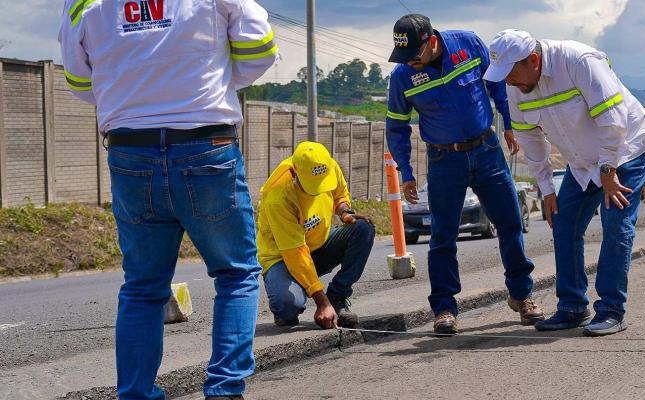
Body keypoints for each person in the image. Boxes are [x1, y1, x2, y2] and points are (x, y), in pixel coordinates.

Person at [59, 1, 278, 398]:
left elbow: (79, 80)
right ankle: (225, 390)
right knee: (236, 274)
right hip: (206, 143)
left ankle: (136, 394)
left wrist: (131, 91)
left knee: (143, 287)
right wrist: (213, 77)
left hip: (130, 150)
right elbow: (260, 48)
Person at [484, 29, 645, 336]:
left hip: (626, 150)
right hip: (582, 164)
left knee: (616, 223)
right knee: (563, 222)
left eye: (510, 73)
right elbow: (530, 140)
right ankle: (573, 306)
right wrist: (547, 190)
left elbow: (613, 119)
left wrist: (608, 171)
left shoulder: (579, 61)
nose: (508, 82)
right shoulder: (516, 86)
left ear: (533, 60)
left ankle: (611, 310)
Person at [385, 14, 541, 335]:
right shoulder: (402, 77)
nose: (409, 61)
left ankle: (522, 295)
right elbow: (397, 127)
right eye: (403, 55)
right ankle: (444, 308)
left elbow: (497, 84)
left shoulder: (467, 44)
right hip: (444, 160)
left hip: (487, 151)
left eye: (414, 53)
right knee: (442, 236)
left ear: (432, 41)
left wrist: (508, 123)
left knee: (510, 222)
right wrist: (407, 172)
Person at [257, 142, 375, 329]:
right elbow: (295, 254)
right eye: (312, 186)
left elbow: (339, 195)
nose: (319, 190)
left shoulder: (327, 166)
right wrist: (322, 303)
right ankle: (289, 298)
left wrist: (344, 212)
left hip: (319, 245)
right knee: (288, 306)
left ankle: (337, 297)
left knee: (363, 228)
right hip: (283, 258)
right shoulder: (278, 198)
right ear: (294, 173)